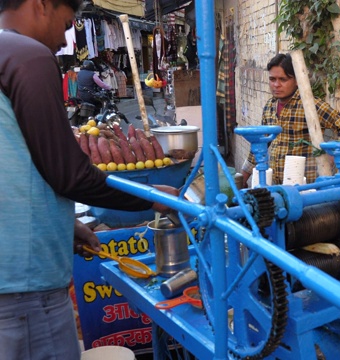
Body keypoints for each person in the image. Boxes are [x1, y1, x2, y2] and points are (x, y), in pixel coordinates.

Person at [0, 1, 178, 359]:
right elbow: (69, 174)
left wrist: (62, 227)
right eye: (67, 24)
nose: (66, 38)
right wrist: (151, 197)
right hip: (24, 287)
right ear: (41, 4)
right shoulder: (27, 56)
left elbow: (15, 167)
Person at [241, 53, 340, 186]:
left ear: (297, 80)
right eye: (272, 79)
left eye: (283, 79)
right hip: (279, 185)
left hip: (308, 185)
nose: (276, 84)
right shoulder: (270, 107)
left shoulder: (310, 105)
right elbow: (261, 142)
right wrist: (243, 176)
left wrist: (332, 156)